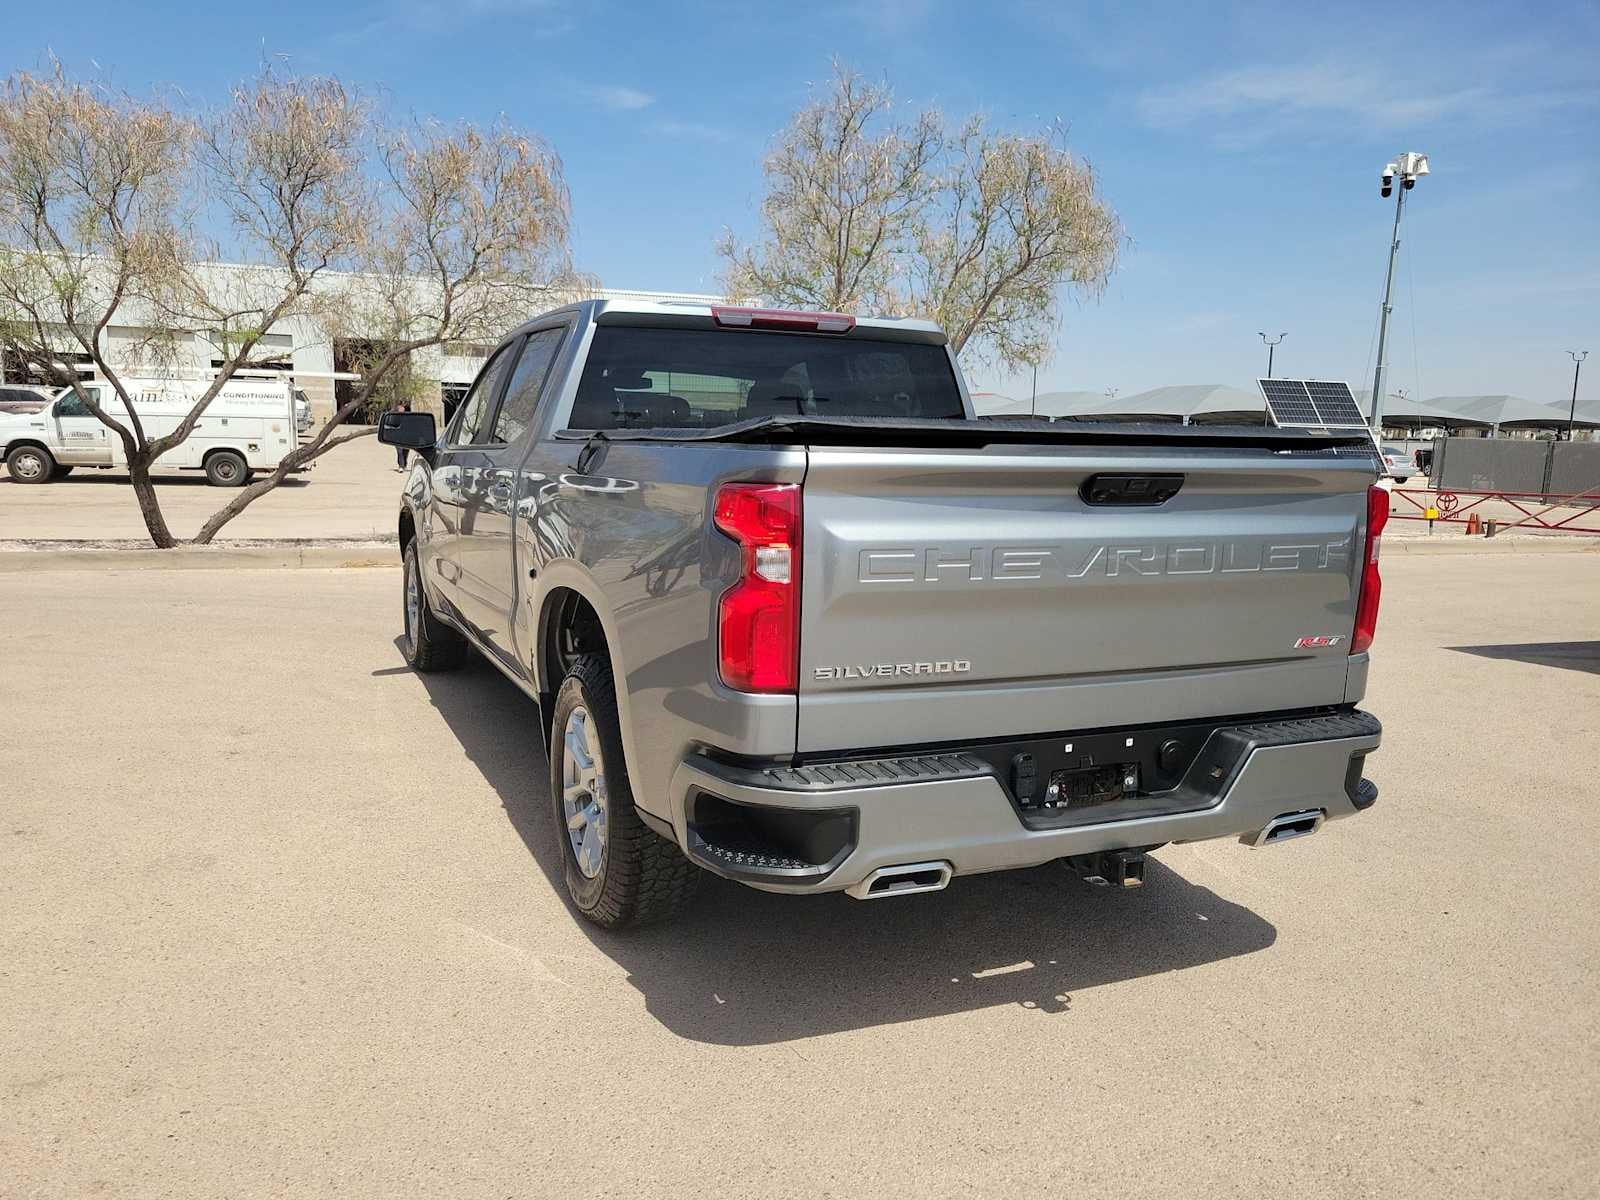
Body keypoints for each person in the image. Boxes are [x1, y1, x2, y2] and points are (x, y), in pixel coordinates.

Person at [394, 398, 410, 471]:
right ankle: (401, 466)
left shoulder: (409, 416)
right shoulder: (394, 417)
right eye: (400, 407)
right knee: (399, 451)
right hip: (398, 436)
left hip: (406, 436)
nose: (401, 408)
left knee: (406, 451)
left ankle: (405, 464)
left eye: (402, 407)